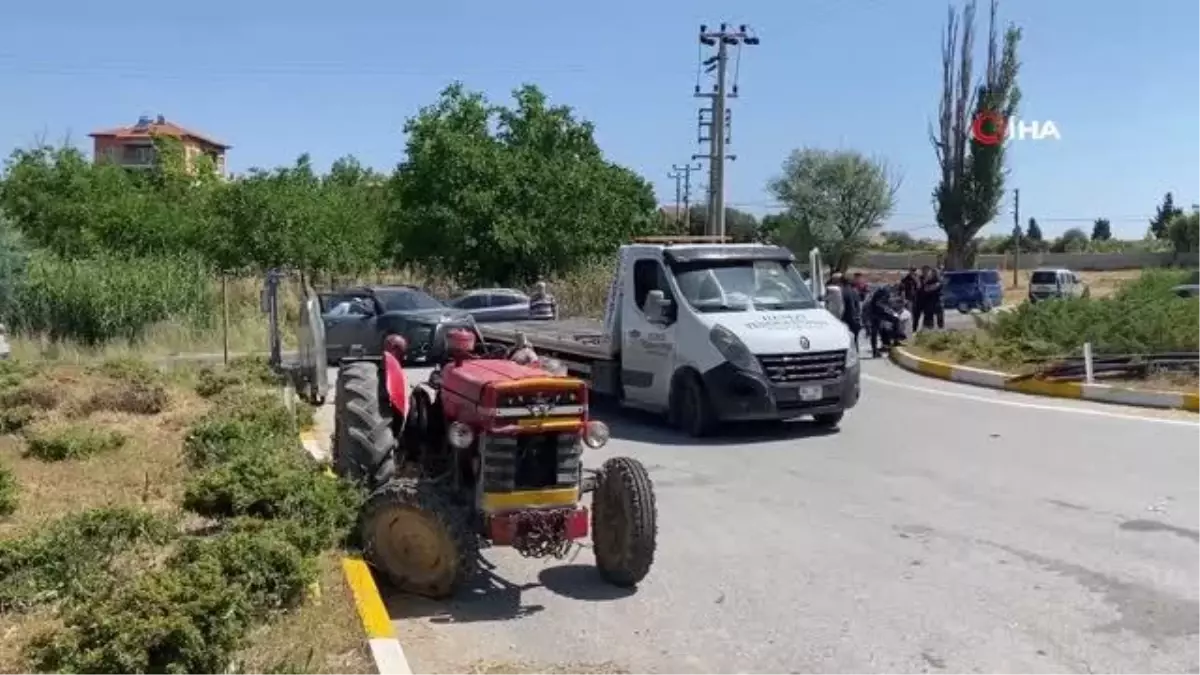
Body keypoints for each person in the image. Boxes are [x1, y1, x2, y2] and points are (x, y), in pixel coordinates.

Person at [866, 284, 903, 357]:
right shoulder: (886, 292)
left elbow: (878, 302)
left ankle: (875, 351)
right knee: (896, 319)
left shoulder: (883, 291)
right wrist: (889, 310)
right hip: (877, 312)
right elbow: (879, 303)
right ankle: (896, 340)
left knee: (874, 332)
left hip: (873, 312)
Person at [840, 275, 863, 351]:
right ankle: (856, 352)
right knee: (855, 338)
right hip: (856, 318)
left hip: (845, 318)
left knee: (846, 338)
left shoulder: (842, 292)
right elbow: (858, 306)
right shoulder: (855, 292)